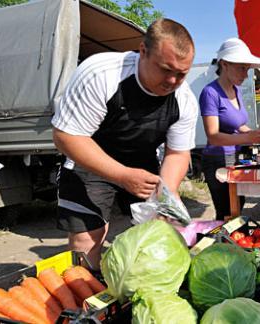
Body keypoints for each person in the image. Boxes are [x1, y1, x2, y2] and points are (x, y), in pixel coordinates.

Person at [52, 18, 198, 269]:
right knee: (89, 237)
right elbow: (66, 136)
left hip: (141, 162)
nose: (173, 81)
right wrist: (122, 175)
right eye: (166, 69)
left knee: (159, 231)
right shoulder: (101, 74)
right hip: (89, 158)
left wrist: (167, 191)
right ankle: (87, 296)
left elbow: (177, 153)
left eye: (181, 74)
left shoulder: (184, 100)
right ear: (142, 51)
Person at [200, 38, 260, 220]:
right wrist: (250, 137)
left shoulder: (236, 91)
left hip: (236, 158)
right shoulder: (210, 92)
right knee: (226, 211)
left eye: (247, 69)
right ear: (224, 64)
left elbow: (238, 125)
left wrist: (258, 133)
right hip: (216, 159)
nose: (245, 74)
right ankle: (222, 246)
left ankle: (233, 244)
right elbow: (213, 136)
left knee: (237, 207)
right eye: (241, 68)